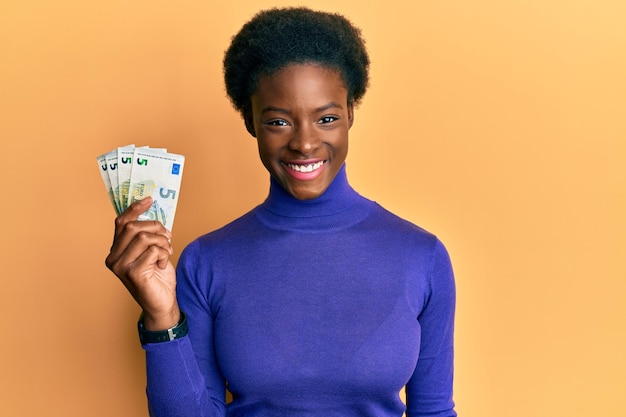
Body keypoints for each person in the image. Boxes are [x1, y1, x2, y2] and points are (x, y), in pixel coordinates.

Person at [105, 7, 457, 417]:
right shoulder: (206, 261)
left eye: (326, 118)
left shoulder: (422, 257)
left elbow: (433, 411)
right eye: (278, 122)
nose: (305, 144)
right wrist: (161, 317)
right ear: (250, 121)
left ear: (350, 115)